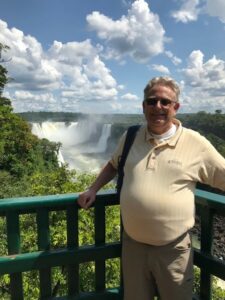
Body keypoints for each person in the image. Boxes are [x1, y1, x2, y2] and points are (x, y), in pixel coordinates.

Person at [78, 76, 225, 300]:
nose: (158, 107)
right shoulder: (130, 136)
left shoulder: (197, 144)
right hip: (133, 247)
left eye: (165, 102)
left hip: (173, 252)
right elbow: (113, 164)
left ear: (176, 107)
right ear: (143, 106)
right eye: (152, 101)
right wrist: (93, 189)